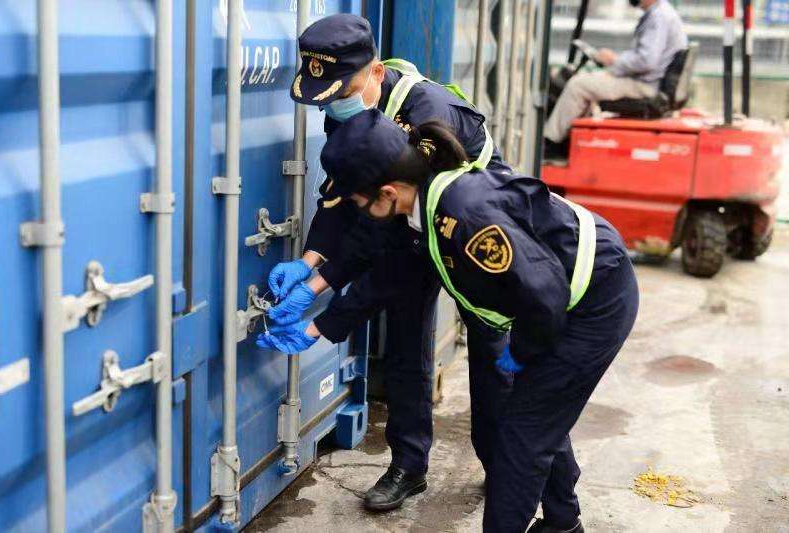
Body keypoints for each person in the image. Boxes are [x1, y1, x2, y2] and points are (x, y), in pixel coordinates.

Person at [258, 109, 639, 532]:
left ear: (387, 192)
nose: (357, 210)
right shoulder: (420, 207)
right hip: (561, 299)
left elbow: (545, 298)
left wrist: (520, 353)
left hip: (595, 299)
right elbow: (386, 276)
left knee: (520, 438)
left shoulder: (463, 217)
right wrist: (316, 328)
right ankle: (563, 524)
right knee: (537, 417)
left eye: (356, 202)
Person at [260, 13, 512, 512]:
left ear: (376, 72)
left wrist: (320, 311)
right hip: (407, 223)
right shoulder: (346, 107)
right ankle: (409, 466)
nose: (334, 103)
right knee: (404, 345)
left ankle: (506, 464)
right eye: (327, 95)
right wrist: (310, 263)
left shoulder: (429, 116)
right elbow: (343, 192)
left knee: (492, 354)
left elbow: (395, 247)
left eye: (343, 90)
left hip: (469, 231)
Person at [544, 0, 687, 154]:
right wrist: (615, 66)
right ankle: (571, 140)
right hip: (649, 82)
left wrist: (613, 60)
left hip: (645, 85)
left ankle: (550, 143)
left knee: (578, 85)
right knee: (590, 80)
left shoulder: (658, 17)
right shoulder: (662, 12)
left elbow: (646, 61)